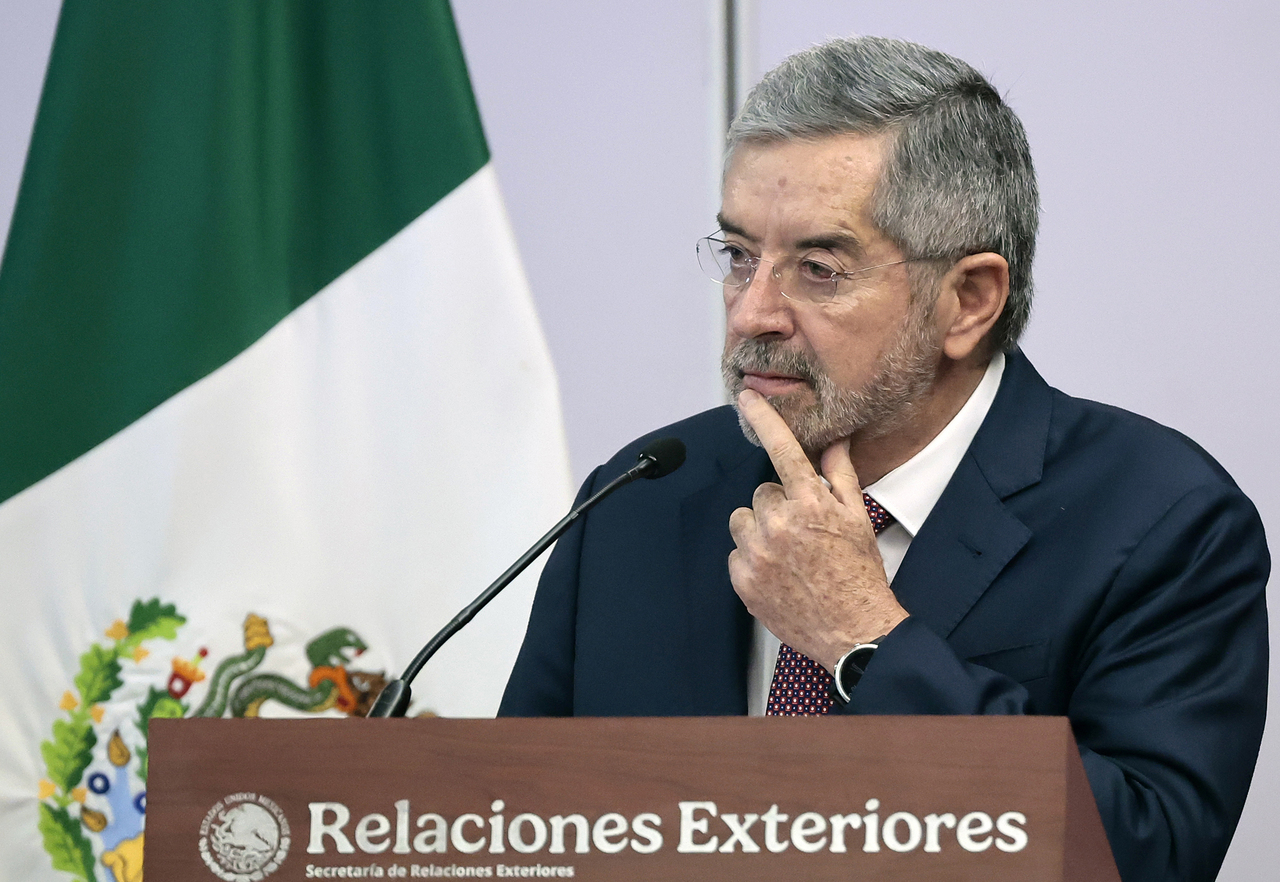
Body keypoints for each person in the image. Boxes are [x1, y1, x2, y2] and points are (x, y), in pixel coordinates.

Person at [499, 36, 1269, 882]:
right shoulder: (642, 494)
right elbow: (516, 826)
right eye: (739, 257)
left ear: (968, 300)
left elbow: (1145, 855)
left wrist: (864, 639)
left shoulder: (1160, 520)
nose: (752, 312)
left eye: (818, 269)